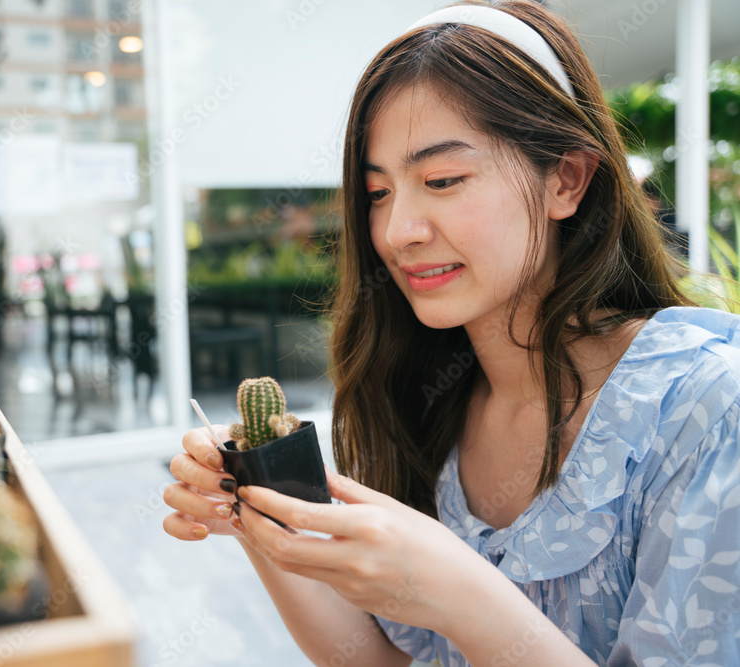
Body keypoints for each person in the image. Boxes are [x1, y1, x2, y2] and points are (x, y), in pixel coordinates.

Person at [162, 1, 740, 665]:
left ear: (567, 179)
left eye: (442, 179)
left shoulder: (706, 407)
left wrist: (456, 591)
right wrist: (253, 509)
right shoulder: (432, 392)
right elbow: (387, 659)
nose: (397, 230)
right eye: (378, 192)